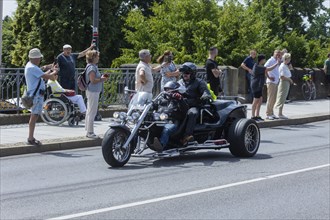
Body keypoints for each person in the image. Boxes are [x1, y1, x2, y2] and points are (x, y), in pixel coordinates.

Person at [25, 48, 57, 145]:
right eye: (39, 58)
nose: (40, 60)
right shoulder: (33, 68)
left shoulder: (29, 65)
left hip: (34, 94)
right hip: (36, 96)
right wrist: (54, 71)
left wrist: (49, 68)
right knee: (34, 116)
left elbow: (41, 74)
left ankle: (31, 137)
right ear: (35, 58)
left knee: (33, 116)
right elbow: (48, 77)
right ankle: (30, 138)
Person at [178, 62, 212, 145]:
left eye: (187, 73)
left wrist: (205, 96)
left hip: (193, 106)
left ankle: (187, 136)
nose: (184, 75)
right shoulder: (179, 82)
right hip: (180, 105)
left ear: (192, 73)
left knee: (192, 113)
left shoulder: (199, 82)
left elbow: (206, 92)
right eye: (183, 73)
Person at [153, 81, 189, 152]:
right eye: (166, 90)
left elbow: (185, 110)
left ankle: (161, 145)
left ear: (176, 90)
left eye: (169, 89)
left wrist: (180, 100)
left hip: (172, 122)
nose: (167, 92)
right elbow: (154, 106)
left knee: (166, 130)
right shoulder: (162, 100)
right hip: (160, 121)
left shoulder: (180, 100)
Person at [85, 50, 109, 138]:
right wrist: (102, 79)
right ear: (93, 57)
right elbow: (93, 80)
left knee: (89, 111)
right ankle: (90, 132)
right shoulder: (92, 67)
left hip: (92, 90)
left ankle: (88, 130)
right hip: (93, 91)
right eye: (97, 56)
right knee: (92, 111)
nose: (98, 58)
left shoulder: (92, 66)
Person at [251, 54, 280, 121]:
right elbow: (268, 69)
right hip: (256, 86)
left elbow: (265, 71)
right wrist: (277, 63)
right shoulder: (257, 66)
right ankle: (253, 116)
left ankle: (257, 115)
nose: (265, 60)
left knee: (260, 100)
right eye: (264, 59)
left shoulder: (260, 66)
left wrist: (269, 77)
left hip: (259, 86)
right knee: (255, 101)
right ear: (262, 60)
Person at [275, 53, 294, 119]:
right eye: (289, 58)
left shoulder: (285, 65)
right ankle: (279, 113)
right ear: (286, 59)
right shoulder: (282, 66)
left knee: (283, 97)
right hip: (284, 82)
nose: (290, 60)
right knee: (282, 97)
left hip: (286, 82)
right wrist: (289, 79)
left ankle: (280, 113)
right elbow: (282, 77)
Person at [265, 50, 282, 120]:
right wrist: (269, 77)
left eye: (279, 54)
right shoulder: (271, 60)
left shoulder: (277, 61)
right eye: (277, 53)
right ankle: (268, 114)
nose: (278, 55)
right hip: (271, 82)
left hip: (275, 82)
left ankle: (271, 112)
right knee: (270, 98)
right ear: (273, 53)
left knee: (274, 99)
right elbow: (265, 69)